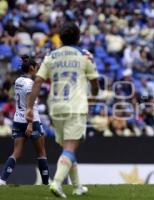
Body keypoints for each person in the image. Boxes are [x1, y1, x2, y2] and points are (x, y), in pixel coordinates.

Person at [26, 22, 99, 198]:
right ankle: (57, 183)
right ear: (78, 37)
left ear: (61, 37)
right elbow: (95, 83)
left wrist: (29, 107)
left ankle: (77, 187)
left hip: (55, 107)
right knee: (71, 147)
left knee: (68, 148)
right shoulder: (85, 55)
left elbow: (37, 81)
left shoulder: (50, 56)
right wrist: (92, 99)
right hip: (75, 106)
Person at [0, 56, 49, 185]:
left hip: (17, 119)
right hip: (31, 121)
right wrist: (30, 124)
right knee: (41, 152)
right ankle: (45, 184)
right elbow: (29, 106)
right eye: (36, 68)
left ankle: (2, 180)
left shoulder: (18, 80)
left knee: (16, 152)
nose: (38, 70)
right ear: (32, 68)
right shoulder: (30, 84)